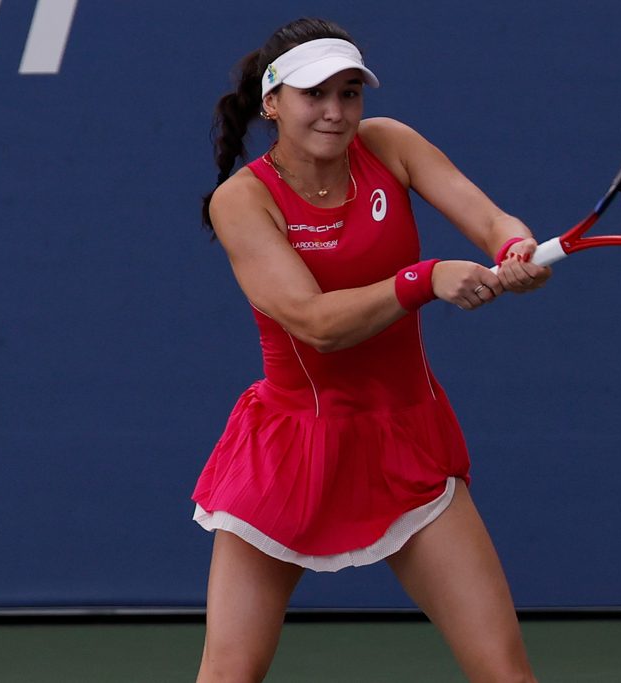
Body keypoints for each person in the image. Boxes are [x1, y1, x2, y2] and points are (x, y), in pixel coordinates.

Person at [191, 17, 551, 683]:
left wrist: (513, 248)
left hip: (406, 439)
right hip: (292, 450)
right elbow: (314, 322)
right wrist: (425, 278)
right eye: (314, 94)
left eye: (350, 93)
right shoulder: (241, 200)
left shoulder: (390, 145)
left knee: (506, 672)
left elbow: (490, 219)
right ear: (273, 102)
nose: (336, 111)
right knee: (229, 673)